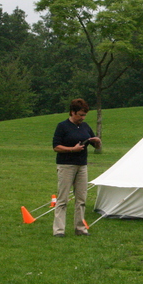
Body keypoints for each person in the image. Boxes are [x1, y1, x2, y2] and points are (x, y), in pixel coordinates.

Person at [52, 98, 101, 237]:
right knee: (63, 199)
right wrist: (72, 149)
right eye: (80, 114)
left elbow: (95, 146)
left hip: (82, 166)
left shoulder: (85, 126)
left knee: (81, 198)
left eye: (84, 115)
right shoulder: (62, 126)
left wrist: (97, 142)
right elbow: (56, 146)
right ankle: (59, 230)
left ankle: (80, 228)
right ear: (72, 112)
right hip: (66, 166)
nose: (82, 117)